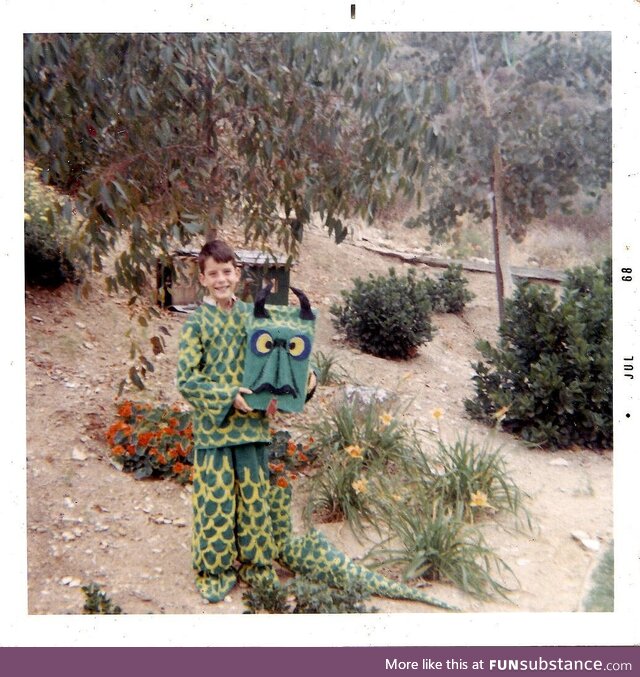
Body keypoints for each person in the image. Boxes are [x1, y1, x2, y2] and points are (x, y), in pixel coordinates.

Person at [176, 239, 315, 602]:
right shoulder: (196, 324)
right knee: (216, 501)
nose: (221, 279)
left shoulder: (255, 317)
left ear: (237, 274)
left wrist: (303, 382)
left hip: (252, 427)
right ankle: (216, 569)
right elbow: (187, 380)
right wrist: (226, 397)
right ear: (203, 279)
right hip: (215, 430)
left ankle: (256, 565)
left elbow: (280, 352)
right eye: (213, 274)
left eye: (227, 272)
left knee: (254, 500)